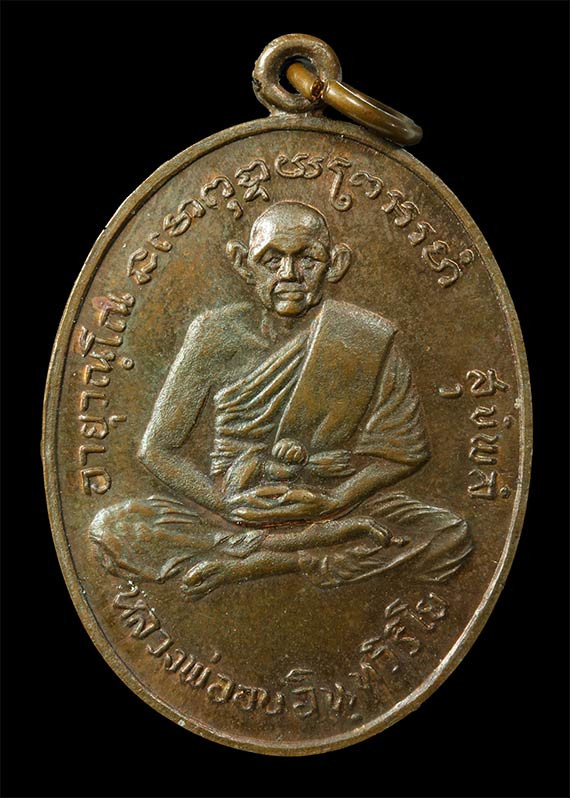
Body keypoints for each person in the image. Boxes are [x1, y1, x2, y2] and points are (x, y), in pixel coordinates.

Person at [91, 201, 472, 598]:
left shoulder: (367, 338)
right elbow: (156, 449)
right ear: (243, 264)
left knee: (450, 535)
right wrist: (222, 504)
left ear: (336, 264)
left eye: (307, 259)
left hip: (327, 505)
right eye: (271, 261)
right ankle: (293, 550)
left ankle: (262, 562)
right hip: (233, 511)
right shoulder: (214, 333)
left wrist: (335, 499)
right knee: (111, 530)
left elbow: (405, 453)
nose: (289, 274)